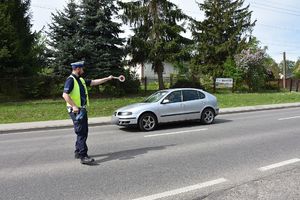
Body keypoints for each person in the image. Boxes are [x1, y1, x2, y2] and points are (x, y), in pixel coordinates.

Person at [62, 61, 113, 164]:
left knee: (81, 131)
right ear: (77, 69)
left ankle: (78, 151)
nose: (83, 70)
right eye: (82, 68)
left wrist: (107, 78)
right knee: (82, 132)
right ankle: (83, 156)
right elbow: (65, 95)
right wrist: (74, 106)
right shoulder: (70, 80)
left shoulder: (80, 80)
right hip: (76, 110)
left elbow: (94, 82)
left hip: (82, 109)